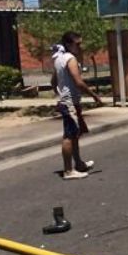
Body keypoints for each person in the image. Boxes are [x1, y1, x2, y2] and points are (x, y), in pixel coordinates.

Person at [51, 31, 103, 180]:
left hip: (67, 100)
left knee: (75, 134)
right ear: (68, 44)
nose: (80, 47)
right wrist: (95, 96)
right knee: (69, 135)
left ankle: (78, 164)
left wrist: (60, 95)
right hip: (69, 102)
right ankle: (68, 171)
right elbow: (78, 82)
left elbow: (53, 82)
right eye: (78, 44)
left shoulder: (58, 59)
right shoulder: (70, 59)